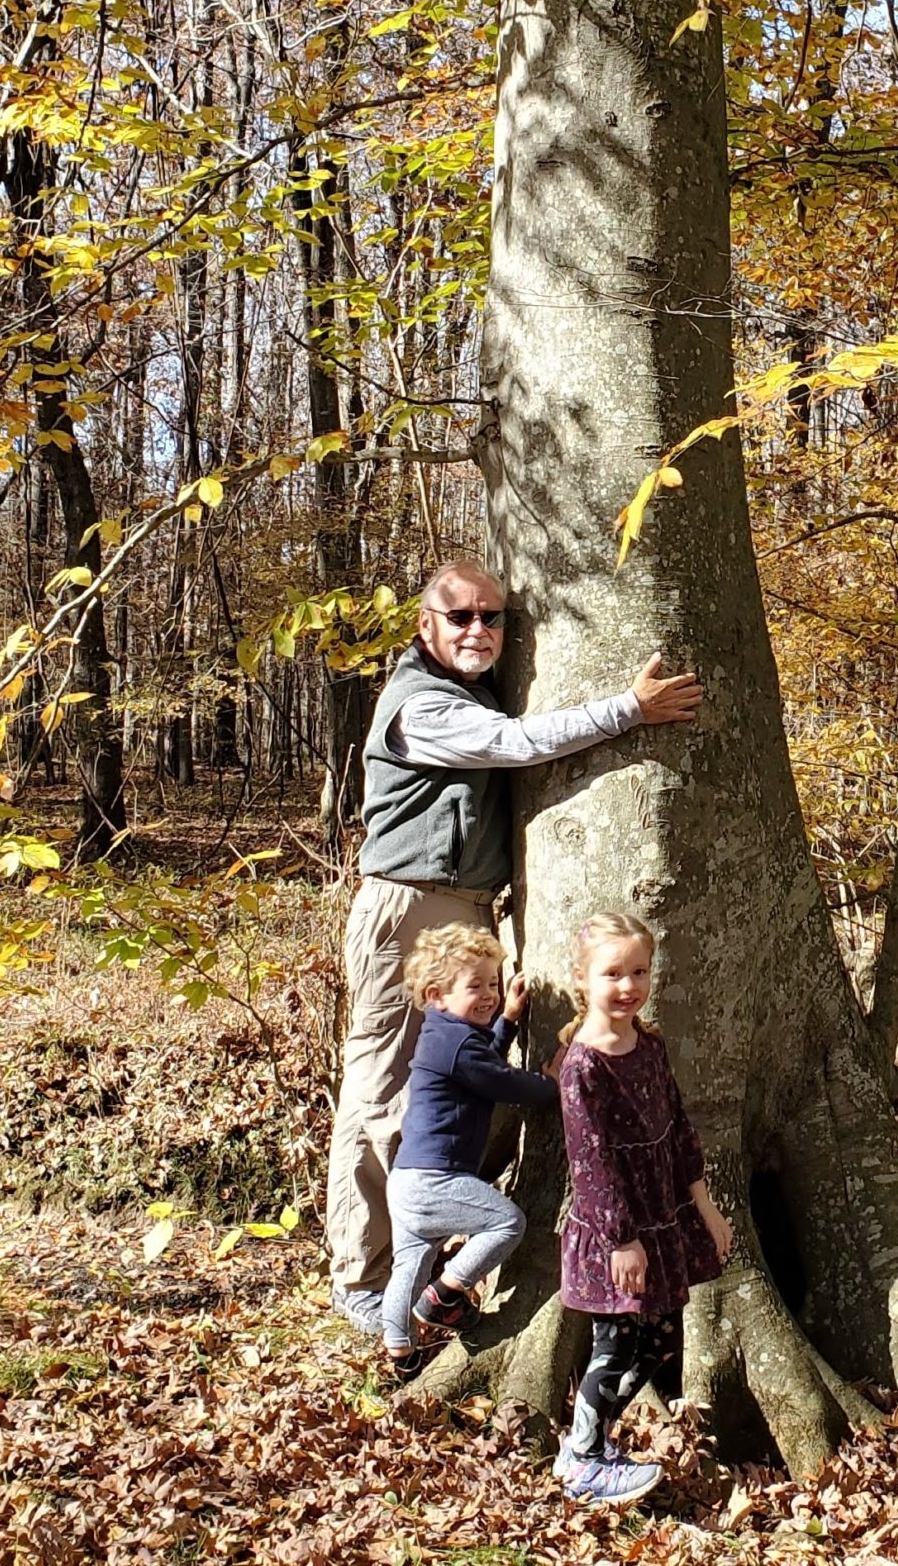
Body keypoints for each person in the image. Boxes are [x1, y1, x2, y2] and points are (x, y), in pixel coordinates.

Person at [326, 559, 702, 1334]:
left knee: (454, 1090)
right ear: (424, 624)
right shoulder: (422, 705)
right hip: (407, 911)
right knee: (381, 1098)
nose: (477, 630)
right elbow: (516, 743)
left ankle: (428, 1277)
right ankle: (366, 1286)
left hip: (466, 913)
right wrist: (629, 709)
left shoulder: (474, 685)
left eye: (491, 617)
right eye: (458, 615)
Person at [553, 911, 733, 1508]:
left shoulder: (648, 1045)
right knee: (616, 1343)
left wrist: (704, 1206)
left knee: (657, 1342)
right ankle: (584, 1459)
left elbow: (678, 1128)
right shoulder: (582, 1067)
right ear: (583, 980)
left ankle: (590, 1438)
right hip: (616, 1232)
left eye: (639, 971)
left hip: (662, 1220)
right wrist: (621, 1241)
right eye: (612, 974)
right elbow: (592, 1166)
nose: (628, 986)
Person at [381, 923, 559, 1380]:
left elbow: (483, 1062)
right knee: (506, 1222)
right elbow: (501, 1080)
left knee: (409, 1262)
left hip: (406, 1182)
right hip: (435, 1179)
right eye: (474, 986)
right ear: (437, 994)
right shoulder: (456, 1042)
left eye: (493, 984)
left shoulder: (445, 1034)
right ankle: (445, 1295)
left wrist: (510, 1020)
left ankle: (400, 1351)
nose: (489, 995)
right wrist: (551, 1085)